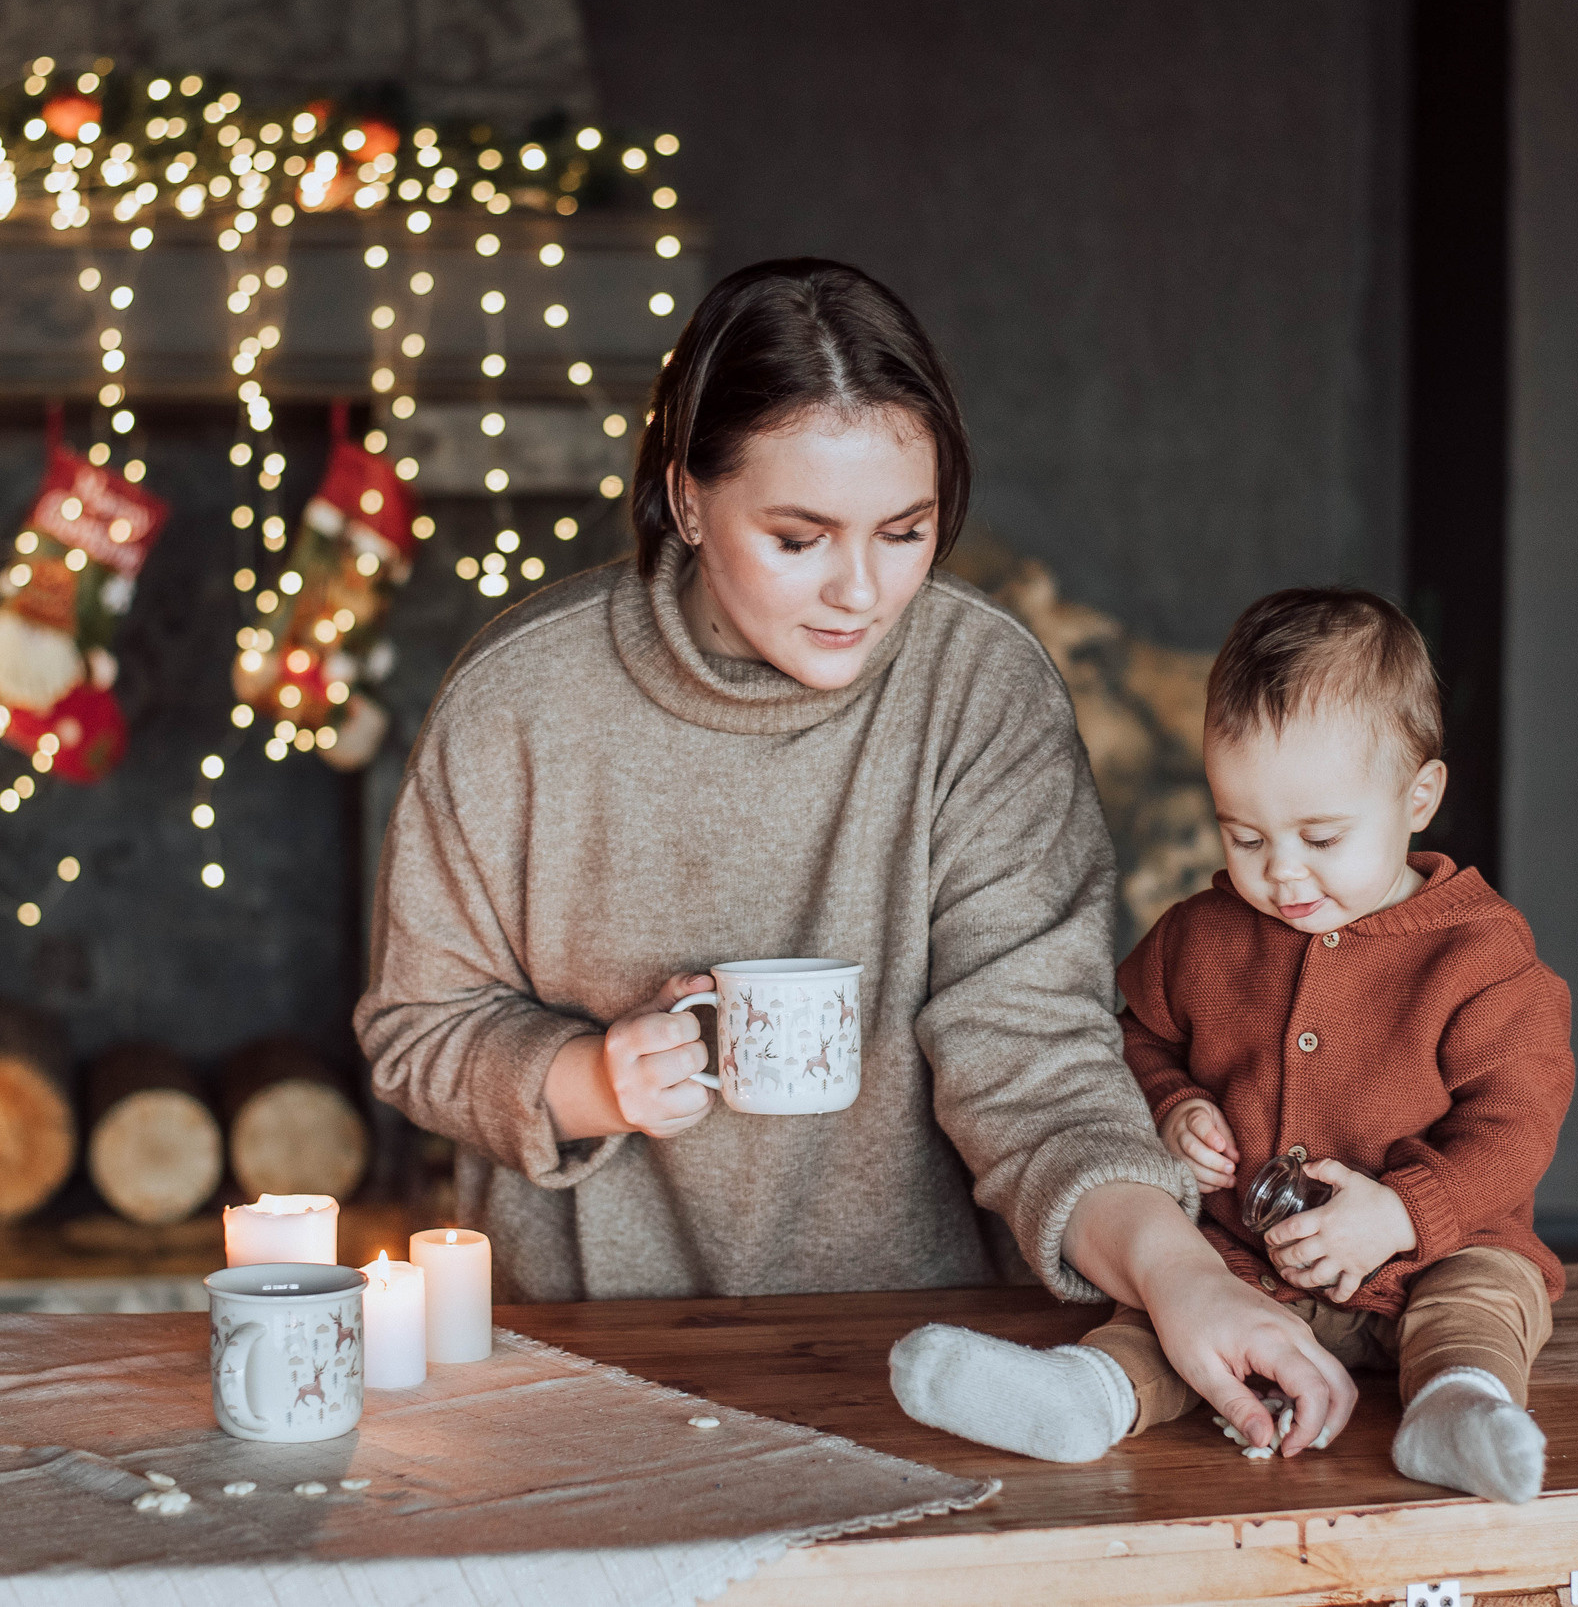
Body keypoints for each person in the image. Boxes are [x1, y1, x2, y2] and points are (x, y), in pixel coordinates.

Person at [358, 258, 1356, 1455]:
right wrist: (590, 1080)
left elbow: (1031, 1055)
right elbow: (419, 1028)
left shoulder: (979, 690)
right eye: (797, 536)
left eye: (904, 532)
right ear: (685, 499)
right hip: (596, 1362)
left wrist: (1176, 1269)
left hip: (936, 1360)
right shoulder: (518, 702)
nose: (859, 590)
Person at [890, 588, 1574, 1501]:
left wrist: (1404, 1214)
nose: (1281, 871)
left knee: (1483, 1303)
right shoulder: (1201, 935)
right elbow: (1123, 1039)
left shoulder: (1479, 954)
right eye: (1244, 834)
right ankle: (1086, 1397)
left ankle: (1457, 1411)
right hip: (1243, 1264)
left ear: (1419, 797)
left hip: (1435, 1254)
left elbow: (1518, 1120)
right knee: (1163, 1315)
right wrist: (1175, 1105)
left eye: (1320, 836)